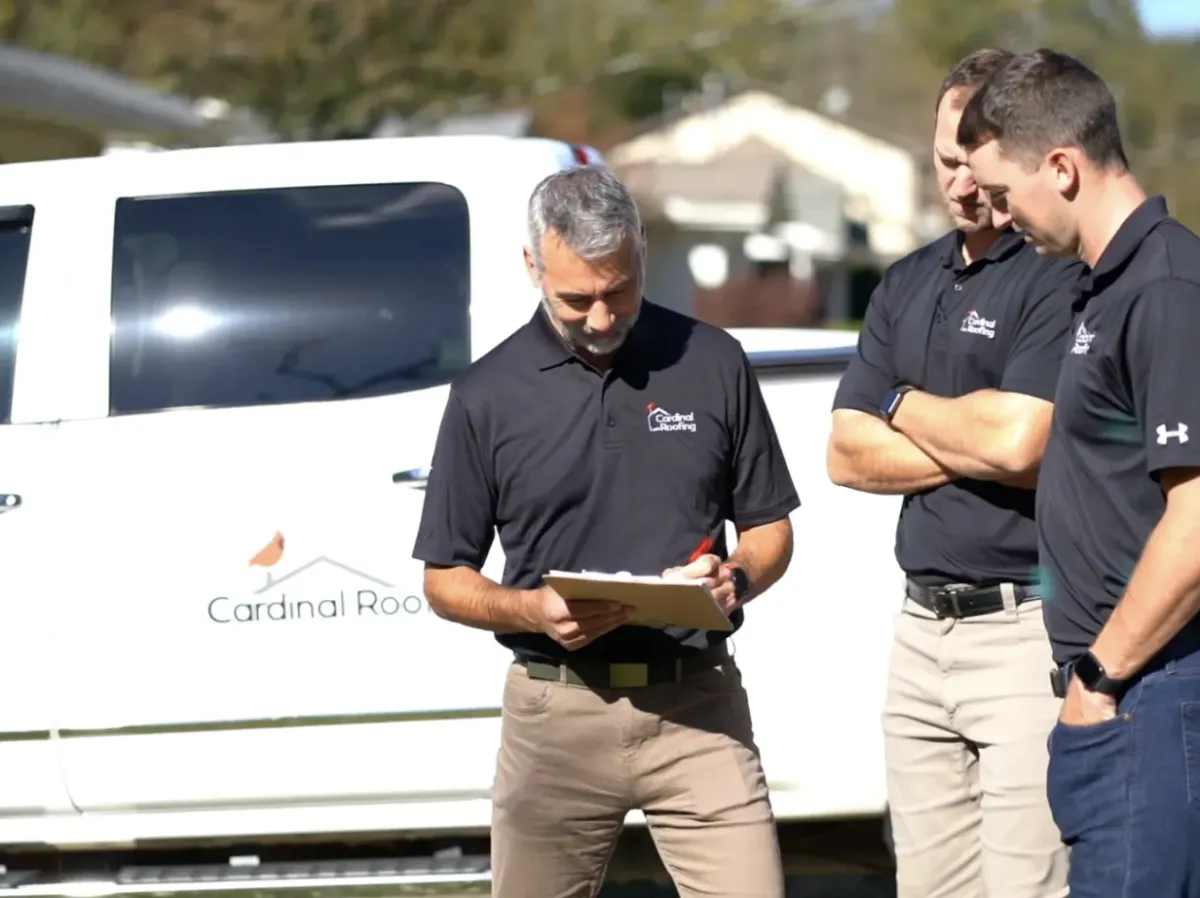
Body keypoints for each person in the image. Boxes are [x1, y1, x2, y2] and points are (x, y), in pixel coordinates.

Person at [412, 164, 800, 898]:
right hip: (555, 715)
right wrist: (533, 610)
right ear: (532, 267)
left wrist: (736, 577)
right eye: (576, 299)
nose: (599, 317)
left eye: (617, 291)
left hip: (698, 711)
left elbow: (770, 527)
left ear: (642, 254)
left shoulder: (713, 362)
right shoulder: (486, 396)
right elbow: (444, 579)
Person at [826, 47, 1083, 898]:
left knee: (1027, 887)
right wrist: (961, 429)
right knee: (927, 888)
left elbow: (1018, 443)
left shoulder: (1056, 276)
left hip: (1023, 630)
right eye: (945, 163)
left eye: (977, 166)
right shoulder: (904, 283)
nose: (962, 186)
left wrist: (897, 402)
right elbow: (843, 453)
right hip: (919, 632)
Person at [958, 47, 1200, 896]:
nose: (996, 212)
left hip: (1152, 691)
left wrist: (1100, 678)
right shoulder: (1100, 286)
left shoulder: (1164, 286)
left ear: (1061, 167)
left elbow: (1199, 521)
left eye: (1002, 191)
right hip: (1121, 696)